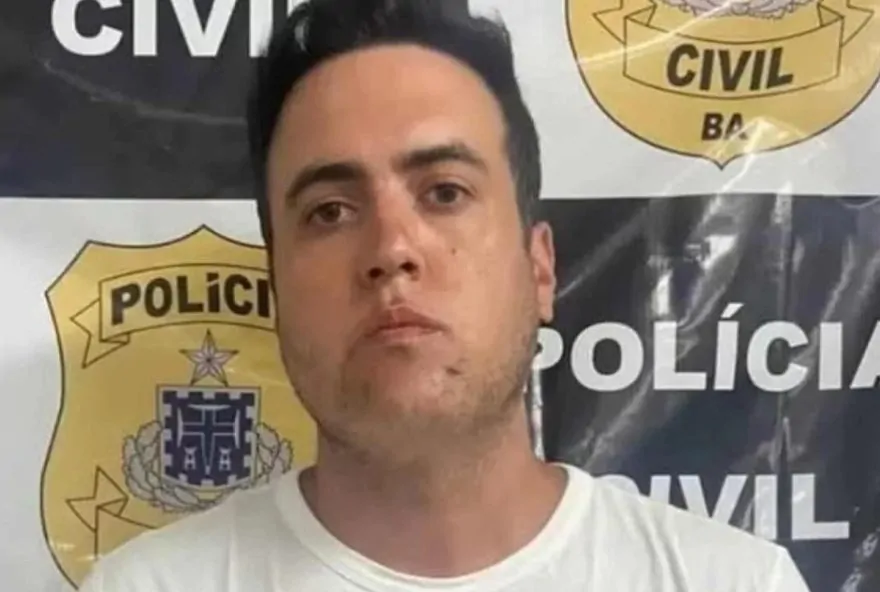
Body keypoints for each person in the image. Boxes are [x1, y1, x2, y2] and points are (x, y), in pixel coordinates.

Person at [79, 0, 811, 590]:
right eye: (330, 211)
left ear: (540, 268)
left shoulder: (736, 583)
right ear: (276, 290)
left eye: (445, 192)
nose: (392, 249)